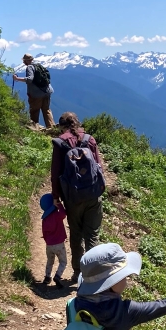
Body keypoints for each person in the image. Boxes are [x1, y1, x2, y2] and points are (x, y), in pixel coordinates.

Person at [51, 112, 104, 282]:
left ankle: (78, 273)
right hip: (93, 195)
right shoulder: (89, 139)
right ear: (77, 122)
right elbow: (98, 166)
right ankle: (93, 275)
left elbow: (56, 173)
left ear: (61, 126)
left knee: (76, 234)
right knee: (92, 235)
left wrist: (56, 196)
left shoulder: (60, 143)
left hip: (73, 198)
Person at [13, 53, 54, 128]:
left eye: (24, 60)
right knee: (46, 110)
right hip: (47, 91)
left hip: (36, 94)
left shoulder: (29, 67)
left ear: (26, 61)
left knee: (34, 111)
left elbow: (30, 79)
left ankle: (34, 129)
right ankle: (51, 128)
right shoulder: (39, 66)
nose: (23, 62)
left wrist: (17, 79)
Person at [39, 192, 68, 287]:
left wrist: (47, 241)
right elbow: (63, 214)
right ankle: (57, 276)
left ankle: (47, 277)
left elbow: (44, 233)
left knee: (50, 261)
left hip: (49, 245)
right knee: (63, 261)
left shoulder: (45, 219)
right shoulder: (56, 215)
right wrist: (59, 204)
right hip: (59, 244)